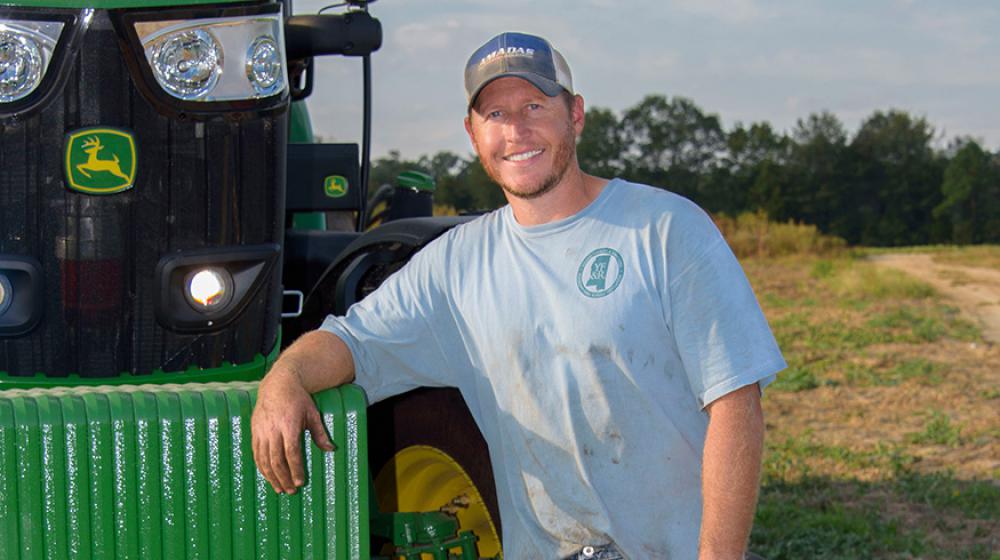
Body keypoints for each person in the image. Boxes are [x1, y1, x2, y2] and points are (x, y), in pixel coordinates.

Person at [252, 31, 785, 559]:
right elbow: (354, 342)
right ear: (472, 132)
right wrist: (285, 378)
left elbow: (736, 405)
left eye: (534, 104)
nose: (516, 130)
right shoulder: (455, 266)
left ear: (575, 114)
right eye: (496, 115)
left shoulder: (665, 230)